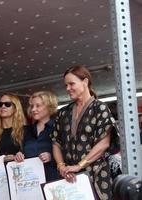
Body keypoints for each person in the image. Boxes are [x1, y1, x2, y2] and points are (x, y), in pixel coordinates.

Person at [50, 65, 119, 200]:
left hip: (96, 176)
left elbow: (103, 144)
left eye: (71, 84)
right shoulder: (63, 112)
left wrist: (79, 166)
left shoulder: (100, 108)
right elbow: (55, 143)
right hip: (69, 177)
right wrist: (61, 166)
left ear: (85, 82)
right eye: (66, 85)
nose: (68, 88)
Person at [15, 91, 59, 182]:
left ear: (49, 107)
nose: (33, 109)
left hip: (51, 179)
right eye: (32, 106)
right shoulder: (27, 130)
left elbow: (67, 153)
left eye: (38, 106)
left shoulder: (58, 127)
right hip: (29, 180)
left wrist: (51, 157)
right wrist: (19, 155)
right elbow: (22, 151)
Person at [0, 94, 27, 164]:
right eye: (0, 104)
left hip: (18, 172)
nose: (3, 106)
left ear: (15, 108)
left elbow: (32, 152)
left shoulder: (25, 130)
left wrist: (17, 156)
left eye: (7, 104)